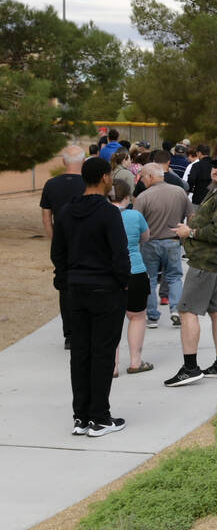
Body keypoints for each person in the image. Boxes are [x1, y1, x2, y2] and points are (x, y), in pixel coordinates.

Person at [50, 156, 130, 436]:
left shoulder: (65, 212)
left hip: (75, 290)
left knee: (80, 353)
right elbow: (120, 255)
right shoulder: (109, 213)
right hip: (105, 289)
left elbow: (57, 253)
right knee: (103, 353)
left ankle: (81, 416)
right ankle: (100, 417)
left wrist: (64, 279)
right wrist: (123, 284)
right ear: (105, 178)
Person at [163, 153, 217, 387]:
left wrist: (188, 233)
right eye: (215, 165)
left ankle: (190, 368)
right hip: (214, 260)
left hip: (207, 261)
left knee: (187, 310)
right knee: (216, 311)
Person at [136, 162, 193, 330]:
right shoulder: (179, 192)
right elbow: (191, 215)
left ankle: (152, 316)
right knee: (174, 277)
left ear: (151, 177)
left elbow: (137, 222)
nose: (141, 181)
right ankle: (176, 310)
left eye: (143, 177)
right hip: (173, 241)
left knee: (150, 279)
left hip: (150, 242)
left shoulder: (143, 197)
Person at [41, 145, 86, 349]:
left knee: (64, 286)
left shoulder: (51, 184)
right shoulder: (88, 184)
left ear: (63, 161)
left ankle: (69, 332)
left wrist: (54, 239)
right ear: (83, 162)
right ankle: (84, 327)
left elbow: (46, 217)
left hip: (62, 243)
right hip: (86, 241)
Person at [111, 179, 152, 375]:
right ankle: (135, 361)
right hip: (135, 271)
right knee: (137, 317)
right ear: (127, 197)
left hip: (110, 275)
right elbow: (146, 236)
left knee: (111, 320)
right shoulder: (135, 216)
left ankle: (112, 365)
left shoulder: (102, 216)